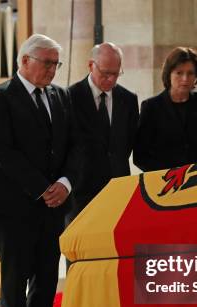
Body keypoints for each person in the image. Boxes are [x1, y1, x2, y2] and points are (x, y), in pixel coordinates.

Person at [0, 34, 79, 307]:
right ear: (24, 61)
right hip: (15, 203)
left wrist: (65, 184)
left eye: (57, 63)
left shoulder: (61, 96)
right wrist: (44, 188)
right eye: (47, 62)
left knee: (45, 278)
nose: (53, 70)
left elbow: (73, 146)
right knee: (15, 277)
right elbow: (5, 151)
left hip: (54, 203)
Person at [68, 42, 138, 221]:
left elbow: (127, 143)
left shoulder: (128, 99)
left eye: (116, 74)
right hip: (81, 193)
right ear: (91, 65)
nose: (112, 80)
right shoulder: (70, 97)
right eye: (106, 73)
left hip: (117, 190)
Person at [134, 47, 197, 172]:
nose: (185, 79)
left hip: (196, 180)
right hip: (162, 182)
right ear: (169, 74)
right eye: (179, 73)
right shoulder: (151, 107)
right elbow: (140, 156)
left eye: (190, 73)